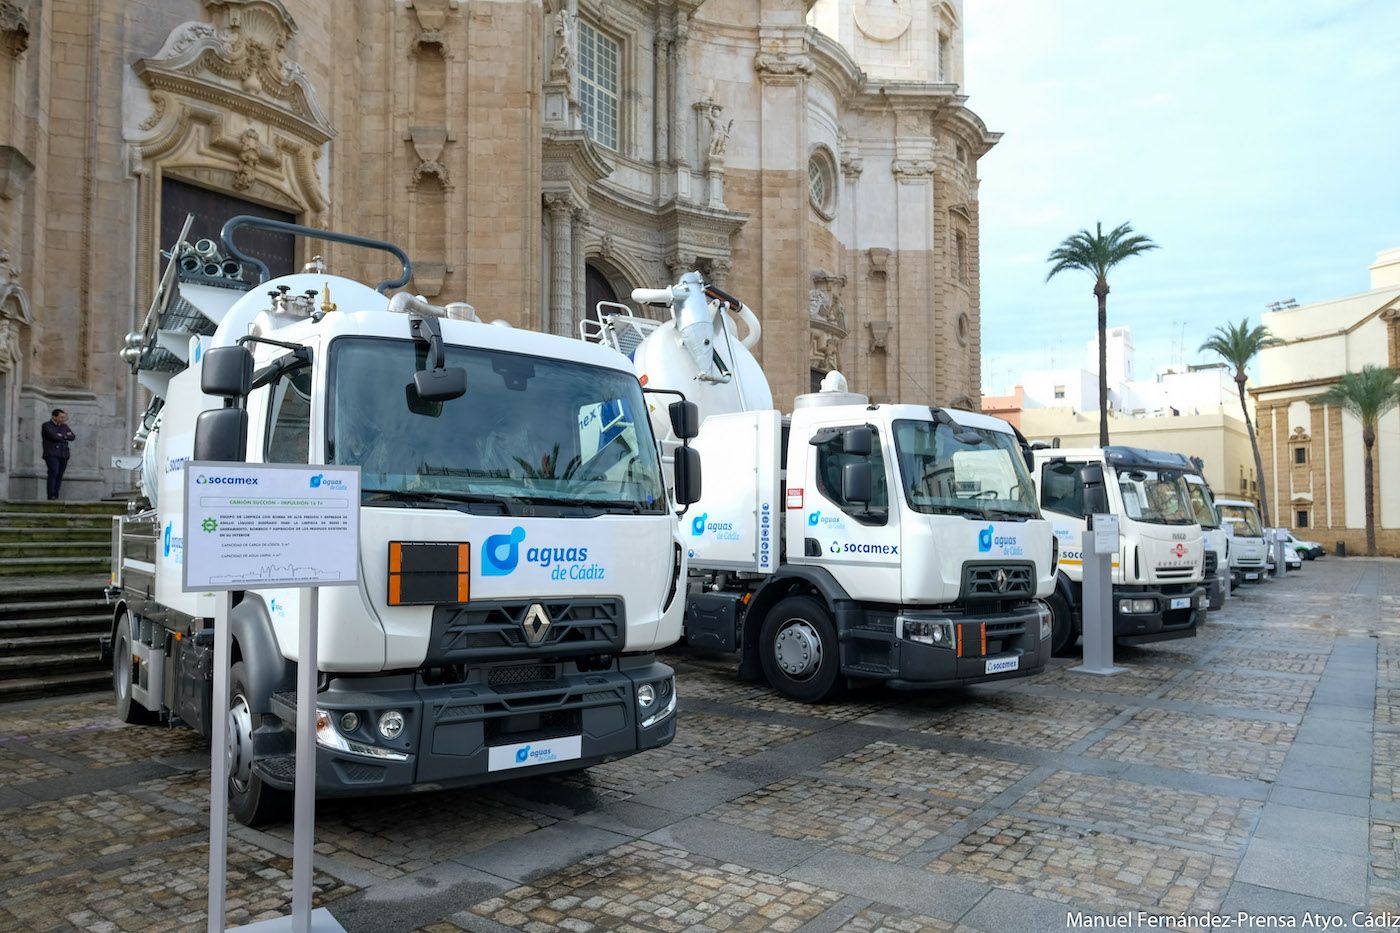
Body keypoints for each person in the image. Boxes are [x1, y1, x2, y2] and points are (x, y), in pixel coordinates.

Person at [41, 409, 76, 500]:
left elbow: (72, 436)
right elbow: (53, 436)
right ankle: (51, 495)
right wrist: (64, 436)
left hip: (64, 454)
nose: (63, 419)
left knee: (60, 475)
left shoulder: (64, 426)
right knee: (53, 473)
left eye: (64, 417)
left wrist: (61, 435)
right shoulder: (46, 425)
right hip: (52, 454)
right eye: (61, 417)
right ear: (54, 417)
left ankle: (55, 495)